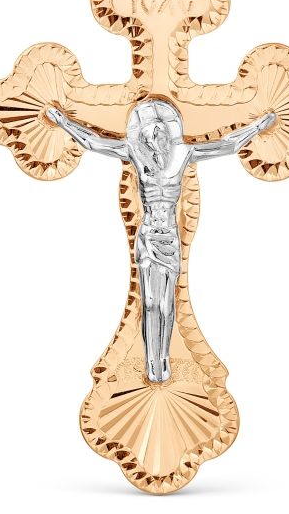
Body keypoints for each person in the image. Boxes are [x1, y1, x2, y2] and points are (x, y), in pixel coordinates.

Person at [47, 99, 274, 383]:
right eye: (148, 137)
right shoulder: (135, 153)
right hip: (148, 236)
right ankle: (151, 362)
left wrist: (258, 126)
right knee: (151, 302)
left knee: (167, 304)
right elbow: (94, 142)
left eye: (159, 135)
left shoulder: (184, 153)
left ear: (168, 134)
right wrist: (63, 121)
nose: (155, 142)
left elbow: (227, 144)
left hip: (170, 237)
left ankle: (163, 358)